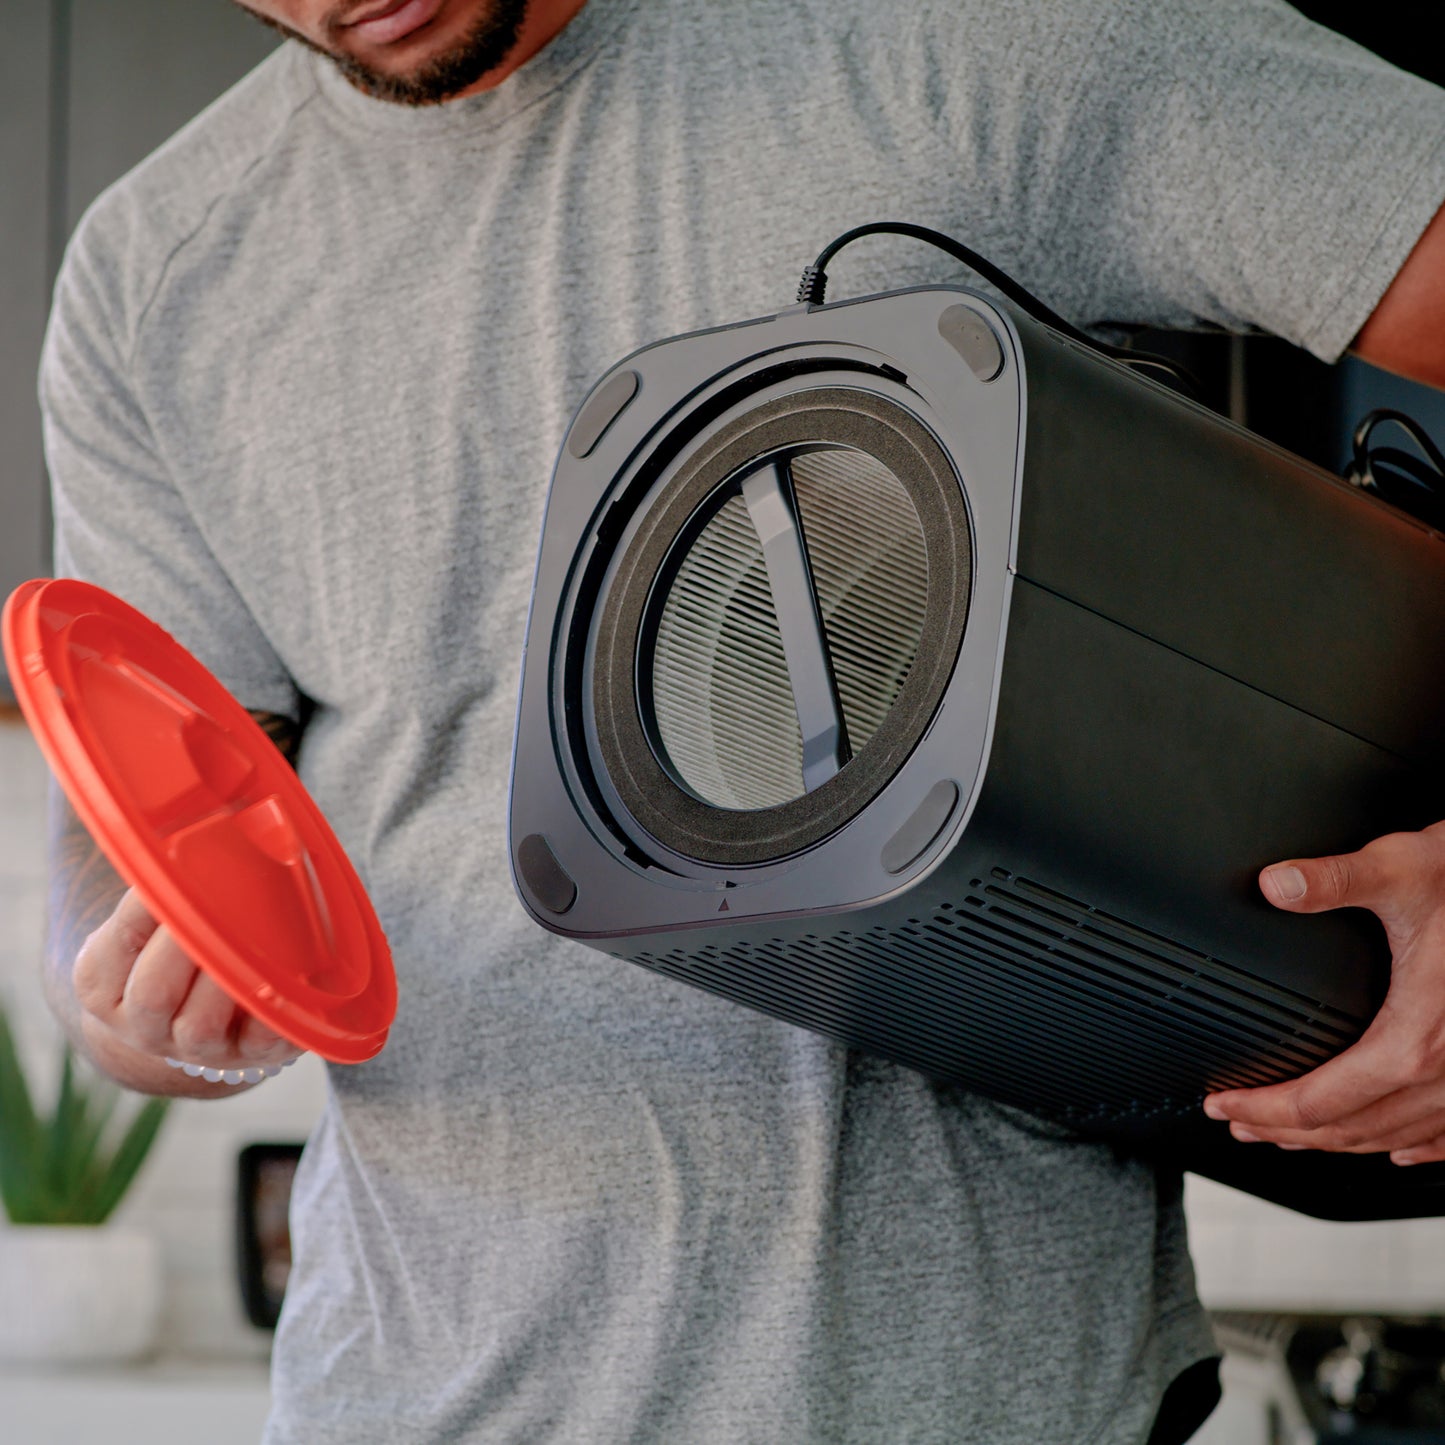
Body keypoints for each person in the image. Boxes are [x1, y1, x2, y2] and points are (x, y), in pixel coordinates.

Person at [36, 1, 1445, 1440]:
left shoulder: (984, 38)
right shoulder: (157, 273)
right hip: (404, 1395)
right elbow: (123, 837)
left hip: (965, 1396)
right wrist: (146, 1005)